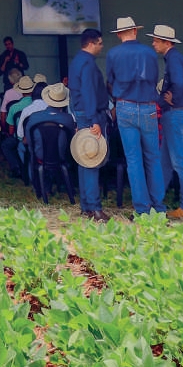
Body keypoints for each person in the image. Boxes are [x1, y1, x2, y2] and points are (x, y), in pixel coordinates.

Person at [104, 16, 164, 217]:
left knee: (134, 160)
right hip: (148, 106)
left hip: (125, 106)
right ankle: (159, 207)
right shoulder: (149, 52)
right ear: (135, 31)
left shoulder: (113, 53)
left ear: (119, 34)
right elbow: (155, 78)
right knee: (153, 158)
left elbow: (110, 81)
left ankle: (142, 210)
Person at [151, 23, 183, 221]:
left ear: (166, 42)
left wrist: (173, 101)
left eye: (156, 40)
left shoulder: (173, 59)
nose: (153, 43)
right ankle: (156, 203)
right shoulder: (174, 58)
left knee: (179, 162)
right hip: (176, 112)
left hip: (175, 113)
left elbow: (179, 83)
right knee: (165, 162)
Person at [69, 27, 109, 221]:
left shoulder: (76, 61)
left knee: (83, 159)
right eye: (100, 43)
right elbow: (89, 92)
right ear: (92, 43)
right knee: (92, 158)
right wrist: (94, 120)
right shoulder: (89, 63)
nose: (102, 47)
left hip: (80, 112)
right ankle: (95, 208)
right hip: (91, 114)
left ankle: (86, 205)